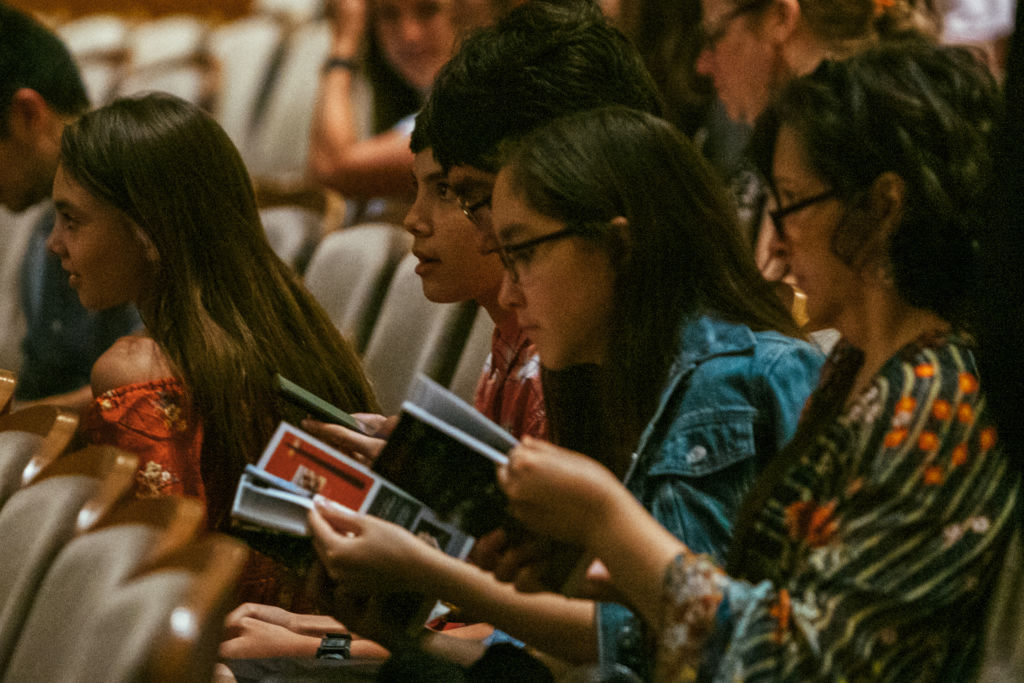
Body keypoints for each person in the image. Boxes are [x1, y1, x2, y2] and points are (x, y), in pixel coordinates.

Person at [497, 41, 1016, 681]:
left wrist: (609, 521)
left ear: (882, 208)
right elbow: (760, 606)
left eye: (793, 200)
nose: (775, 234)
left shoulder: (938, 397)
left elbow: (795, 661)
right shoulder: (855, 367)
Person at [306, 101, 823, 676]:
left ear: (617, 245)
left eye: (524, 254)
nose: (508, 294)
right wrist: (404, 636)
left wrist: (432, 573)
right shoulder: (634, 376)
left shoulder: (722, 380)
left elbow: (667, 640)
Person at [217, 114, 548, 669]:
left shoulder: (549, 375)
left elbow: (514, 643)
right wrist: (307, 626)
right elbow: (461, 618)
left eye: (449, 193)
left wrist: (313, 645)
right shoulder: (506, 351)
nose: (414, 220)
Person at [50, 92, 379, 605]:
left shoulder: (137, 372)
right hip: (340, 642)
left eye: (72, 220)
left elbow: (160, 594)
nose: (54, 242)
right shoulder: (287, 330)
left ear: (148, 231)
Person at [695, 0, 940, 278]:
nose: (702, 64)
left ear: (780, 17)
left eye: (714, 36)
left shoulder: (858, 155)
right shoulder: (778, 143)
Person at [0, 3, 139, 408]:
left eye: (73, 221)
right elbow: (41, 381)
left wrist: (14, 427)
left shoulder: (142, 202)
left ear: (27, 114)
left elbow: (159, 384)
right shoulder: (45, 226)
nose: (59, 243)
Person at [307, 0, 461, 223]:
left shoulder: (481, 111)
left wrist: (343, 45)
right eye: (389, 14)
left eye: (429, 10)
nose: (410, 34)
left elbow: (331, 167)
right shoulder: (417, 114)